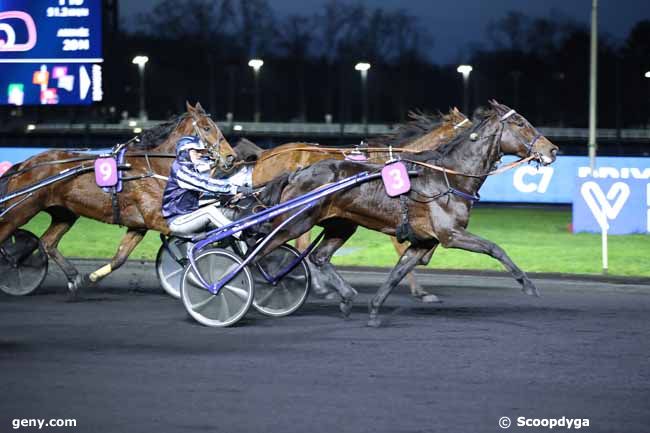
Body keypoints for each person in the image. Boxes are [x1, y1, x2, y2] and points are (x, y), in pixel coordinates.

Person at [162, 135, 252, 237]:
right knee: (210, 211)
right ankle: (241, 234)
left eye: (201, 151)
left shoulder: (190, 167)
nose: (200, 154)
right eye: (196, 151)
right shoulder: (180, 171)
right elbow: (206, 184)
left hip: (190, 216)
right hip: (178, 220)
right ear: (185, 152)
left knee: (227, 212)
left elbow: (206, 166)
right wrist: (236, 188)